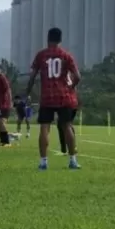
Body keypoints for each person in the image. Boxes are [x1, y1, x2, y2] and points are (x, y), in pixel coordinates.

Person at [26, 27, 81, 170]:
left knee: (45, 127)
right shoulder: (66, 55)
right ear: (60, 39)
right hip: (64, 96)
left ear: (48, 38)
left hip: (47, 97)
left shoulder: (41, 55)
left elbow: (32, 76)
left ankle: (43, 162)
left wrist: (28, 91)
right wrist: (70, 87)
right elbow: (78, 76)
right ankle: (73, 160)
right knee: (67, 126)